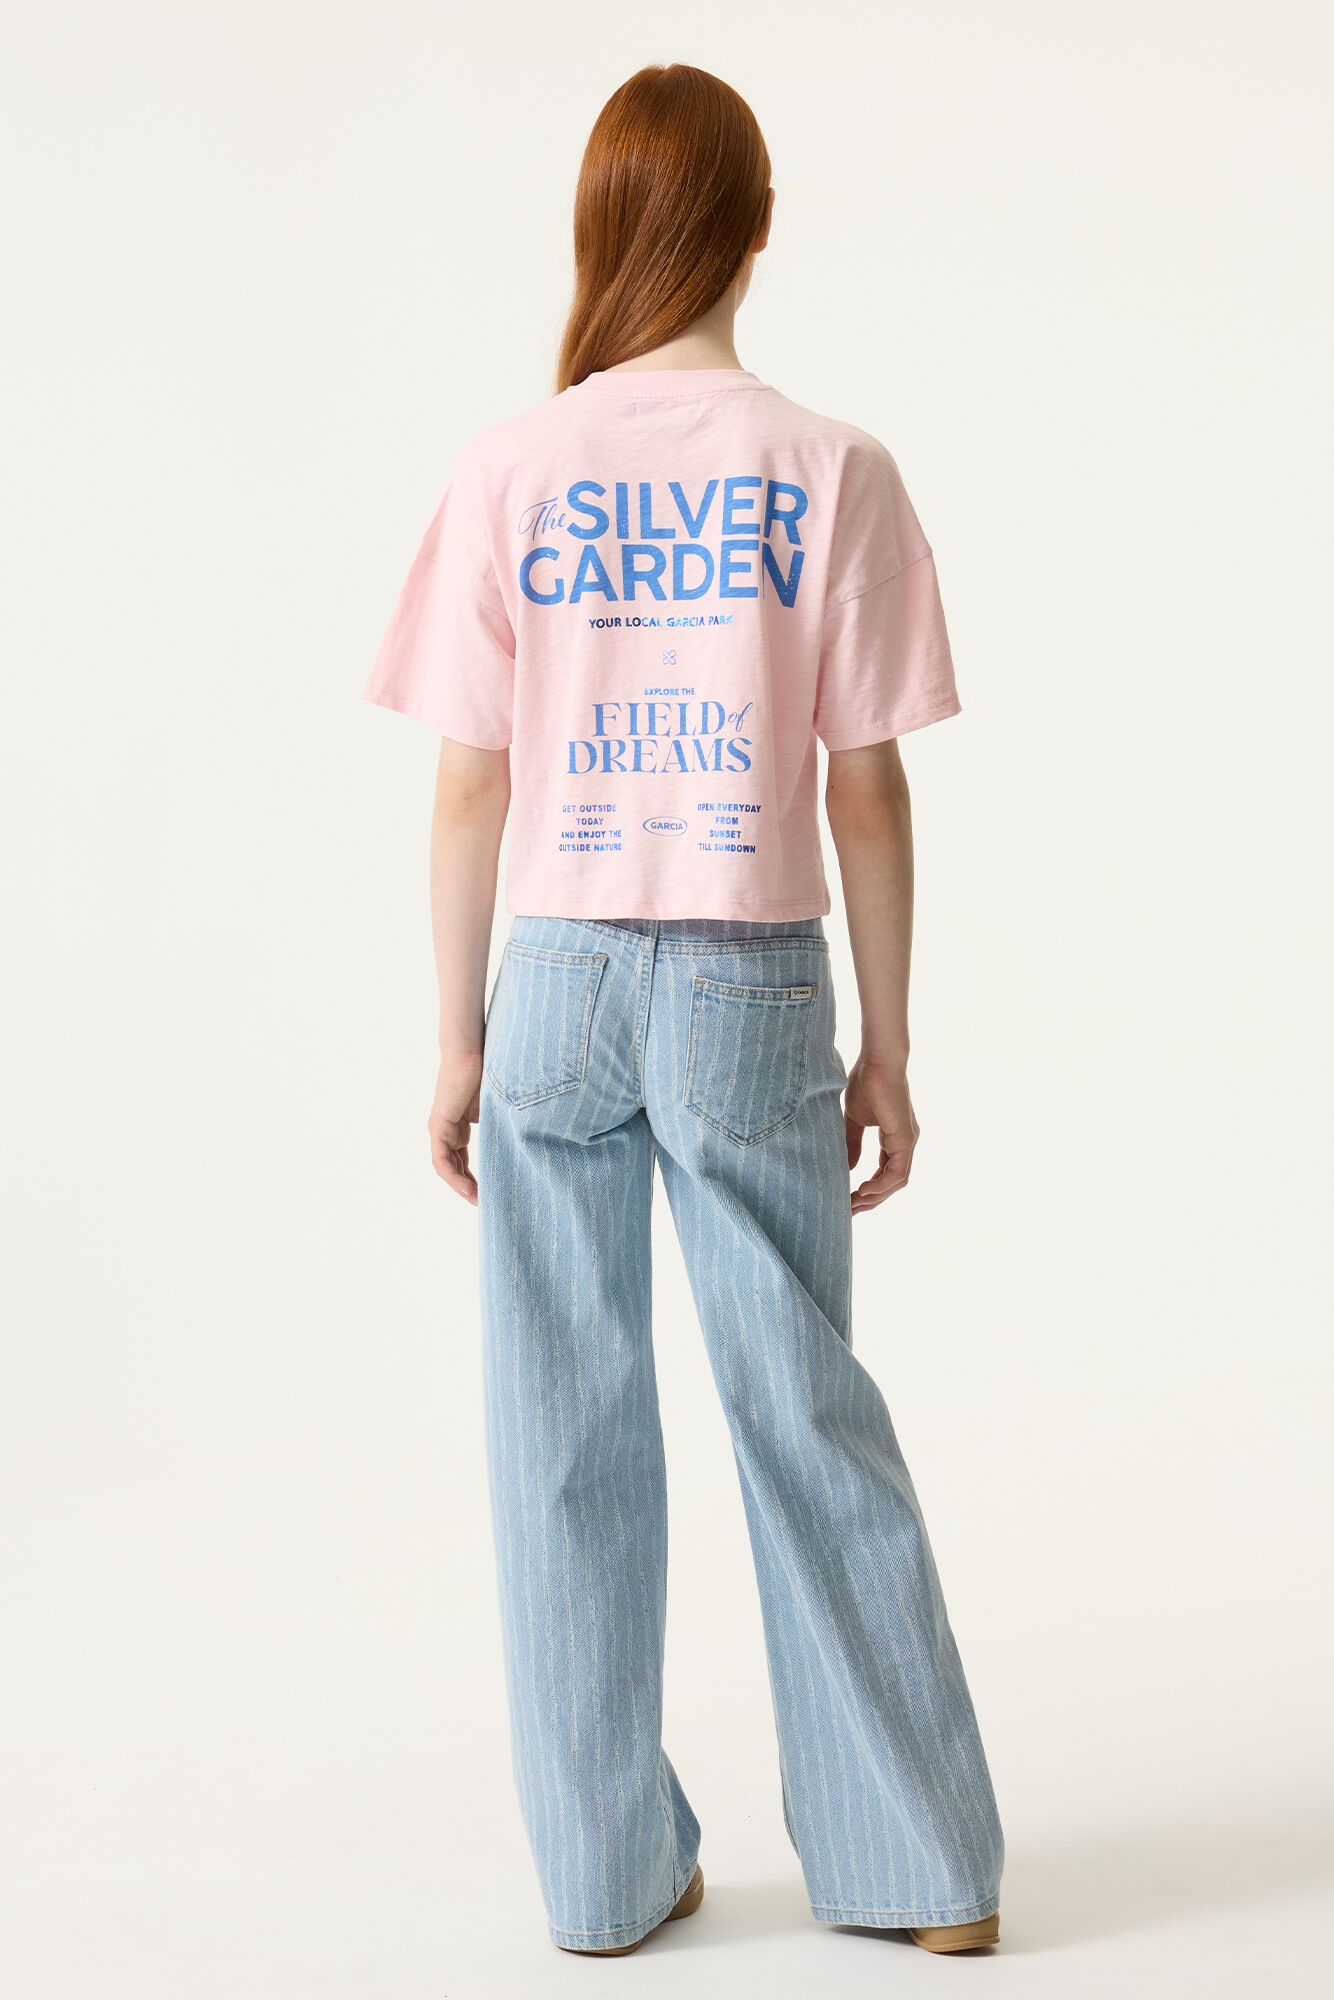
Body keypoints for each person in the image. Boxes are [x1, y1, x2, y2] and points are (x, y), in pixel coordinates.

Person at [364, 62, 1004, 1959]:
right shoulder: (831, 467)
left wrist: (461, 1035)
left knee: (559, 1428)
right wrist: (887, 1043)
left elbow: (468, 782)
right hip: (749, 974)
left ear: (600, 226)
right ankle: (916, 1868)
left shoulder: (509, 467)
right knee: (803, 1407)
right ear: (757, 224)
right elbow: (865, 785)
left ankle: (602, 1876)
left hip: (555, 968)